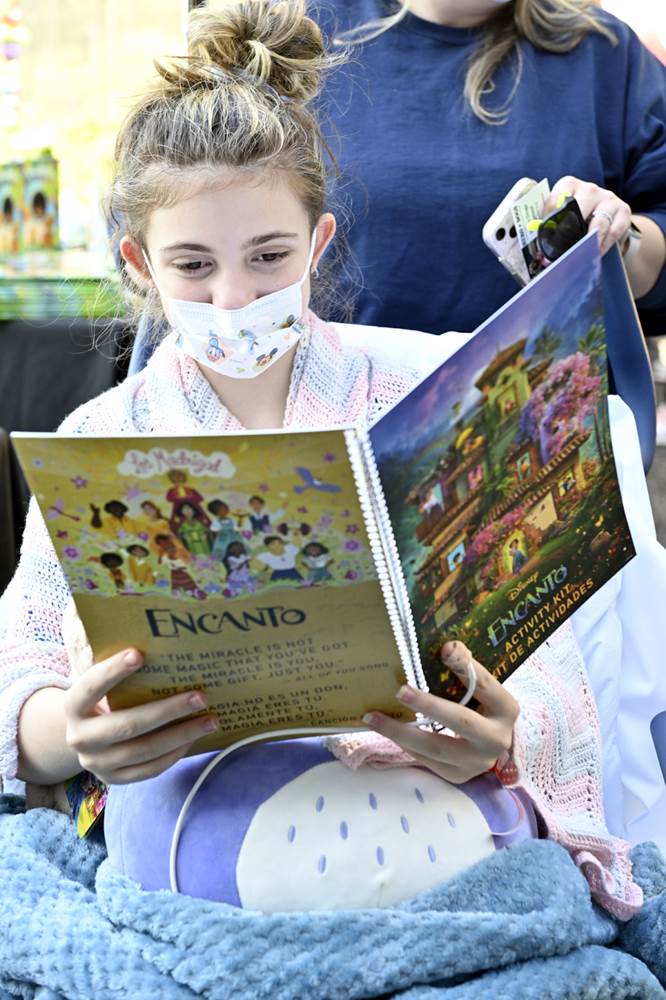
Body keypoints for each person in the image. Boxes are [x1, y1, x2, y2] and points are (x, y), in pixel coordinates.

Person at [0, 0, 641, 919]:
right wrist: (72, 734)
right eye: (193, 267)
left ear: (319, 243)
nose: (234, 298)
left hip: (436, 793)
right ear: (139, 264)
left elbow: (537, 656)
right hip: (200, 811)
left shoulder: (417, 400)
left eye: (269, 257)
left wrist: (503, 735)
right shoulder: (102, 439)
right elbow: (20, 669)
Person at [317, 0, 666, 335]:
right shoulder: (312, 32)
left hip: (551, 372)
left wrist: (617, 239)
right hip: (343, 371)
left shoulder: (603, 49)